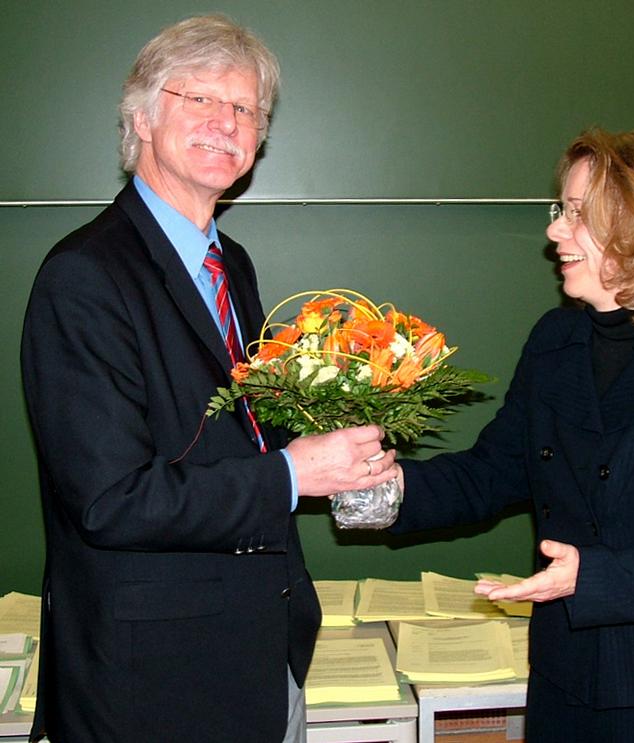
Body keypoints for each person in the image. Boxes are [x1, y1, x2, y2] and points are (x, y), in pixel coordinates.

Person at [21, 15, 398, 743]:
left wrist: (336, 444)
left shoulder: (233, 266)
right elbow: (110, 500)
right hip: (154, 685)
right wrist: (292, 474)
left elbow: (229, 435)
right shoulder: (85, 276)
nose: (226, 122)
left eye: (246, 109)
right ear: (141, 117)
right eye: (200, 99)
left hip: (263, 655)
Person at [391, 128, 634, 742]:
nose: (555, 232)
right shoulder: (556, 338)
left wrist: (590, 579)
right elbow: (496, 471)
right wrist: (378, 489)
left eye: (578, 214)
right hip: (565, 684)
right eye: (562, 210)